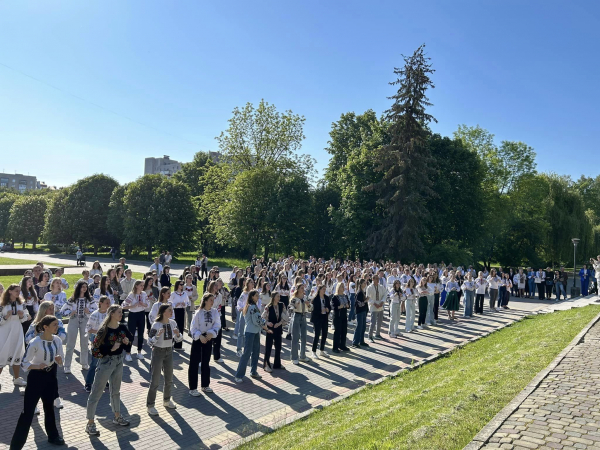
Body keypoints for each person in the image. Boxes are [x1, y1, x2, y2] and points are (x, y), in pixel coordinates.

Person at [10, 315, 66, 449]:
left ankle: (53, 436)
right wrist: (37, 366)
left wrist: (59, 360)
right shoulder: (35, 342)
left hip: (51, 375)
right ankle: (16, 445)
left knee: (49, 408)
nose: (57, 327)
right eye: (54, 325)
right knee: (28, 411)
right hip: (36, 377)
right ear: (45, 327)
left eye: (57, 324)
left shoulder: (57, 340)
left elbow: (61, 361)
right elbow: (24, 363)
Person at [85, 305, 132, 436]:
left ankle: (117, 416)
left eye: (122, 312)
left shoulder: (122, 327)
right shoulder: (103, 331)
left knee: (115, 391)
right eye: (119, 312)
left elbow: (130, 338)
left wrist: (127, 341)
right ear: (111, 314)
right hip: (106, 362)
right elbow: (95, 350)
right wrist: (110, 348)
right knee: (96, 393)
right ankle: (90, 423)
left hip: (119, 361)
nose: (121, 315)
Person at [146, 304, 182, 415]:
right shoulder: (156, 325)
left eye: (172, 310)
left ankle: (166, 400)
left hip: (169, 351)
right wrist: (157, 336)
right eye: (169, 310)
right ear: (163, 312)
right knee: (155, 380)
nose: (172, 312)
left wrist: (178, 334)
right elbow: (149, 342)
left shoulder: (173, 323)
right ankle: (150, 405)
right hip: (158, 352)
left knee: (169, 378)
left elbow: (178, 339)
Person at [234, 290, 271, 382]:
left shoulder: (251, 306)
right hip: (250, 332)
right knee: (246, 353)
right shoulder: (252, 307)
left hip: (254, 332)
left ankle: (253, 371)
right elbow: (257, 320)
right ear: (251, 297)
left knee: (256, 352)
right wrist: (266, 327)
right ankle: (239, 375)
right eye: (256, 295)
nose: (258, 297)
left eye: (258, 295)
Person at [189, 293, 221, 395]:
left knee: (206, 363)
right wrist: (199, 336)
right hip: (199, 338)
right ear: (205, 301)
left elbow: (217, 325)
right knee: (194, 363)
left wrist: (211, 334)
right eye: (211, 300)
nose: (212, 302)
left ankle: (205, 385)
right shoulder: (198, 313)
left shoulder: (215, 312)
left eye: (213, 300)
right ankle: (193, 388)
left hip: (208, 338)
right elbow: (193, 327)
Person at [0, 284, 30, 387]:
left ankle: (16, 379)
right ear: (10, 291)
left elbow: (27, 317)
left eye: (19, 291)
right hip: (5, 332)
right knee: (2, 354)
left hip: (17, 331)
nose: (18, 293)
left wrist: (22, 316)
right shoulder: (2, 305)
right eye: (16, 291)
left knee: (17, 352)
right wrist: (6, 316)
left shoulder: (22, 304)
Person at [62, 281, 95, 373]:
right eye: (82, 287)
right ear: (78, 288)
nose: (84, 288)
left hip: (85, 320)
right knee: (70, 344)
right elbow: (63, 310)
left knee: (84, 343)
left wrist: (89, 311)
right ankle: (67, 365)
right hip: (73, 320)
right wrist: (70, 313)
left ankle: (84, 363)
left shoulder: (89, 298)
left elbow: (95, 309)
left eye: (86, 287)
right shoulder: (72, 299)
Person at [84, 295, 110, 392]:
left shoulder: (109, 314)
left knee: (106, 362)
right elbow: (88, 328)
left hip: (108, 342)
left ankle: (105, 381)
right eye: (106, 303)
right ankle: (88, 383)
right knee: (95, 363)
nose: (108, 305)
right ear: (101, 303)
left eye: (109, 303)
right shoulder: (94, 314)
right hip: (97, 341)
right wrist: (101, 332)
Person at [122, 280, 149, 361]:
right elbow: (123, 306)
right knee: (131, 334)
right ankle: (128, 353)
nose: (142, 287)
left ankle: (139, 352)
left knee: (141, 334)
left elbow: (147, 305)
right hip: (133, 315)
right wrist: (132, 306)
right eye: (141, 285)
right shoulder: (132, 294)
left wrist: (143, 304)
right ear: (136, 286)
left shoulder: (144, 294)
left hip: (141, 314)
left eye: (143, 285)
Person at [262, 291, 288, 372]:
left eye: (279, 296)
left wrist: (280, 323)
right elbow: (262, 318)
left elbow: (286, 316)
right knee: (268, 347)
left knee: (278, 346)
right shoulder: (268, 307)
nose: (279, 298)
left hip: (278, 328)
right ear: (273, 297)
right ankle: (266, 365)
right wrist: (267, 323)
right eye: (277, 296)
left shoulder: (281, 305)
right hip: (270, 329)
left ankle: (277, 364)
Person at [289, 284, 311, 365]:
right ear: (297, 289)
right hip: (297, 316)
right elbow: (290, 309)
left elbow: (311, 308)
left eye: (303, 288)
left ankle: (302, 356)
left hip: (304, 316)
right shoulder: (294, 298)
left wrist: (308, 305)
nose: (303, 289)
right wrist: (295, 306)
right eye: (301, 288)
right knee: (295, 337)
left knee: (304, 337)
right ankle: (294, 357)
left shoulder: (305, 297)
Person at [234, 278, 254, 355]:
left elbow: (258, 302)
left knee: (249, 332)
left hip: (251, 315)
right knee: (241, 331)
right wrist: (240, 308)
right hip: (244, 313)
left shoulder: (254, 293)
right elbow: (239, 302)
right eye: (251, 282)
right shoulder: (244, 293)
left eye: (253, 282)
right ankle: (239, 349)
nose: (252, 284)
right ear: (247, 284)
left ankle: (248, 349)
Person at [169, 281, 189, 350]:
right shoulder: (173, 294)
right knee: (174, 326)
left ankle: (178, 345)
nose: (182, 285)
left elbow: (187, 302)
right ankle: (171, 343)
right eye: (181, 284)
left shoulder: (184, 293)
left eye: (183, 284)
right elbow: (169, 302)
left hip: (181, 310)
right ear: (177, 285)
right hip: (175, 311)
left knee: (181, 326)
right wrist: (175, 305)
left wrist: (185, 304)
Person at [310, 285, 330, 357]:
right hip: (317, 318)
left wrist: (328, 309)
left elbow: (329, 307)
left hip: (325, 317)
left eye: (325, 289)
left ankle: (322, 350)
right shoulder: (315, 299)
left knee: (325, 334)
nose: (324, 291)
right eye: (323, 289)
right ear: (319, 290)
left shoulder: (326, 298)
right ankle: (313, 351)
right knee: (317, 334)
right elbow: (313, 310)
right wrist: (320, 311)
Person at [331, 282, 350, 353]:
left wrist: (348, 305)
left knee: (344, 331)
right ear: (338, 288)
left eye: (343, 286)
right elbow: (332, 306)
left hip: (344, 315)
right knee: (337, 331)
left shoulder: (345, 296)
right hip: (337, 316)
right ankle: (335, 347)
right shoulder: (335, 297)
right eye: (342, 286)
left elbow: (348, 304)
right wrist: (339, 307)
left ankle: (342, 345)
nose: (343, 287)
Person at [366, 275, 386, 343]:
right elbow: (368, 297)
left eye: (378, 279)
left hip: (380, 305)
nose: (378, 280)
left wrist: (382, 302)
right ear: (373, 279)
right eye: (376, 279)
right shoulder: (369, 287)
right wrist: (374, 303)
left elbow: (385, 294)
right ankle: (370, 336)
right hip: (373, 306)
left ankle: (377, 334)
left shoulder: (381, 286)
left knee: (380, 321)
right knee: (373, 322)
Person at [352, 278, 370, 347]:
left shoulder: (362, 291)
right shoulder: (359, 292)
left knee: (363, 326)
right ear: (361, 284)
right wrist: (366, 300)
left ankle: (361, 341)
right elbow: (359, 303)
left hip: (363, 310)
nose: (365, 284)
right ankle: (355, 342)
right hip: (360, 311)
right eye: (364, 283)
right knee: (359, 326)